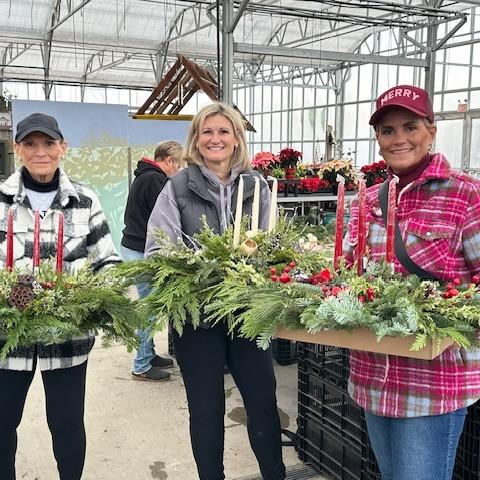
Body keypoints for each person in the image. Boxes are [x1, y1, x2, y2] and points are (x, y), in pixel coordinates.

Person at [345, 85, 480, 480]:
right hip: (372, 378)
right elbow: (349, 276)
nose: (399, 139)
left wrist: (449, 316)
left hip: (432, 387)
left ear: (431, 131)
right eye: (387, 130)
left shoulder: (465, 195)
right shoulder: (366, 201)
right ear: (378, 139)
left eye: (410, 127)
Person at [145, 102, 286, 480]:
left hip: (247, 316)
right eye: (207, 131)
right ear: (196, 139)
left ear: (237, 139)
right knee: (206, 410)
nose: (215, 138)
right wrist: (202, 266)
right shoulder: (177, 187)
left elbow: (273, 245)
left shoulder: (256, 187)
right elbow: (157, 249)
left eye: (224, 131)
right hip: (198, 318)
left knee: (263, 403)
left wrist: (260, 265)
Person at [0, 112, 121, 480]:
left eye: (48, 143)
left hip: (68, 335)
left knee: (67, 424)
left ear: (62, 148)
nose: (41, 151)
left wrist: (98, 295)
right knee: (2, 422)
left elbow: (107, 259)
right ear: (18, 149)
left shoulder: (84, 199)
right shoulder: (2, 200)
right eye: (31, 143)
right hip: (7, 338)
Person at [121, 141, 184, 381]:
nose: (178, 170)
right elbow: (164, 221)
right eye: (178, 165)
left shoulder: (144, 175)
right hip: (142, 252)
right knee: (149, 310)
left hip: (132, 247)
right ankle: (141, 365)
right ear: (169, 160)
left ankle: (149, 353)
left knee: (149, 307)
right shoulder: (156, 180)